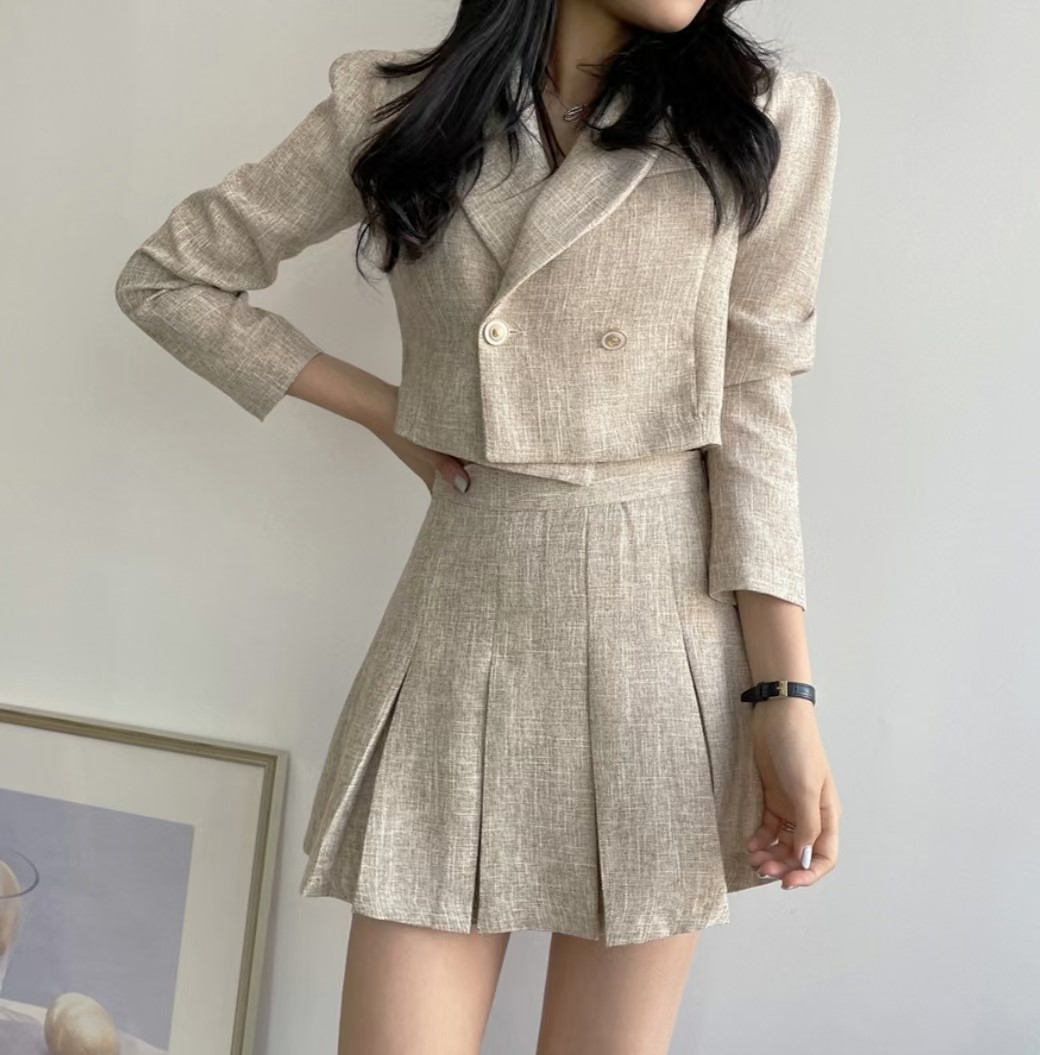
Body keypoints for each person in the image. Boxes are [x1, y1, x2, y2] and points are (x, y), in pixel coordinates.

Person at [114, 1, 844, 1051]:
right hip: (467, 608)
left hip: (663, 637)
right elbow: (169, 278)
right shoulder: (399, 107)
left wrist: (784, 697)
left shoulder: (764, 116)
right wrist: (389, 410)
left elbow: (754, 418)